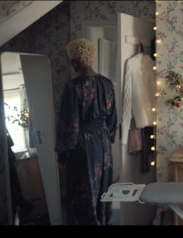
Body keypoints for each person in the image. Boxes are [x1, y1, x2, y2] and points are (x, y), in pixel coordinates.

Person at [55, 38, 117, 225]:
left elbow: (70, 123)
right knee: (103, 190)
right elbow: (113, 119)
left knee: (84, 192)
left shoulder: (73, 87)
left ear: (75, 61)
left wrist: (63, 156)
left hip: (83, 145)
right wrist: (106, 140)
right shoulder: (107, 83)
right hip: (103, 143)